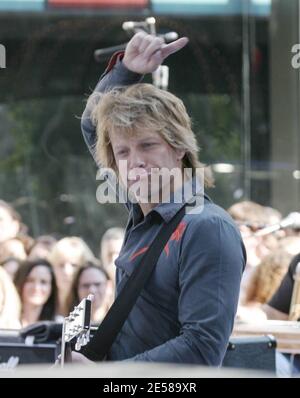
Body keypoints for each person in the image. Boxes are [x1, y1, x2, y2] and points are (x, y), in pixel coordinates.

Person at [73, 31, 246, 365]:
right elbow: (93, 127)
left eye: (148, 145)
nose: (134, 161)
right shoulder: (144, 210)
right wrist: (127, 71)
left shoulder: (208, 228)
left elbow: (201, 350)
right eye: (122, 152)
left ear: (179, 146)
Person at [48, 236, 96, 316]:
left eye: (74, 265)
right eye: (61, 265)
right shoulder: (44, 301)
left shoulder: (93, 302)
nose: (67, 271)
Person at [14, 259, 58, 327]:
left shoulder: (59, 325)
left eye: (43, 282)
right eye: (30, 280)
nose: (36, 288)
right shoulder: (6, 321)